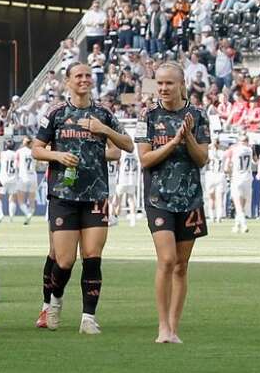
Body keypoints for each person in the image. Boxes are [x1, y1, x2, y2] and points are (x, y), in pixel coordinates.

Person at [29, 61, 133, 334]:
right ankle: (55, 301)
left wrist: (105, 131)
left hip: (96, 194)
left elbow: (126, 146)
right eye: (79, 76)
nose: (84, 80)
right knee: (64, 260)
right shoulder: (56, 113)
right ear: (68, 81)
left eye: (88, 75)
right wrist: (57, 155)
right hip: (63, 194)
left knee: (92, 256)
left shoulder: (103, 113)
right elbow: (36, 149)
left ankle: (88, 317)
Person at [138, 61, 211, 345]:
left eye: (169, 83)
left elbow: (202, 158)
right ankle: (162, 327)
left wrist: (189, 136)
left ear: (182, 85)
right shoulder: (148, 116)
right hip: (159, 198)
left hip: (190, 199)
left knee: (181, 265)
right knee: (166, 260)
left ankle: (173, 326)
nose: (164, 88)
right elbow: (145, 159)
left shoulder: (198, 115)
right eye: (160, 83)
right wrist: (173, 142)